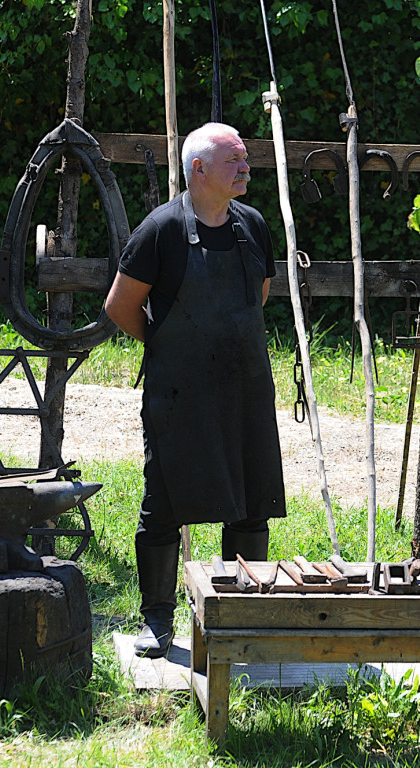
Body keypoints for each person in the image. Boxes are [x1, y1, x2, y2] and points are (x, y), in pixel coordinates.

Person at [104, 122, 287, 658]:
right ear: (198, 169)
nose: (245, 168)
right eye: (234, 160)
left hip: (245, 388)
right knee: (164, 506)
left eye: (246, 159)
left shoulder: (252, 225)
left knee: (249, 505)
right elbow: (120, 307)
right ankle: (158, 621)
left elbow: (260, 295)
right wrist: (167, 345)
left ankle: (238, 620)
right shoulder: (159, 230)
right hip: (179, 395)